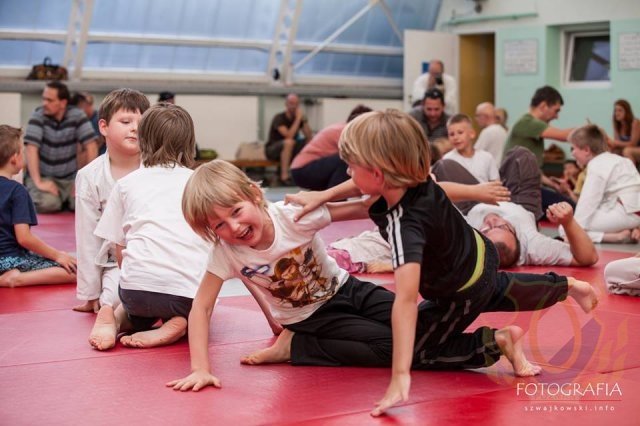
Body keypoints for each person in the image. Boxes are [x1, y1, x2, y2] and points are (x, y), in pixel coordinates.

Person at [288, 110, 597, 417]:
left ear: (379, 174)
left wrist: (399, 376)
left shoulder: (405, 227)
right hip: (479, 255)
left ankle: (495, 342)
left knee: (421, 348)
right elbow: (364, 196)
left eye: (350, 167)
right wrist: (323, 199)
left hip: (457, 291)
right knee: (500, 288)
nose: (346, 174)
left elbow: (406, 300)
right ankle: (568, 286)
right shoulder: (419, 179)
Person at [167, 159, 399, 392]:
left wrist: (327, 195)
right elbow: (201, 307)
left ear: (254, 194)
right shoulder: (226, 253)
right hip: (311, 317)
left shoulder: (293, 217)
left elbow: (365, 206)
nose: (234, 227)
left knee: (416, 321)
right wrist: (200, 368)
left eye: (236, 212)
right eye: (220, 226)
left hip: (349, 289)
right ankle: (298, 346)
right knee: (393, 346)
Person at [87, 104, 213, 351]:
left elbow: (119, 248)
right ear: (188, 143)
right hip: (184, 296)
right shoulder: (198, 182)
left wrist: (136, 278)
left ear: (142, 140)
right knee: (202, 309)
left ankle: (115, 318)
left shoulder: (126, 184)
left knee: (134, 308)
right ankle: (180, 323)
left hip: (136, 292)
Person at [73, 89, 150, 314]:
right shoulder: (90, 176)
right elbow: (87, 238)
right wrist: (90, 294)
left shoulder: (158, 168)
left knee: (197, 298)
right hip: (118, 263)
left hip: (160, 256)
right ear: (104, 127)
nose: (135, 128)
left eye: (142, 123)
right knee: (115, 302)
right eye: (126, 121)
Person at [0, 125, 77, 287]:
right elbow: (24, 238)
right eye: (23, 151)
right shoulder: (17, 191)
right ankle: (15, 279)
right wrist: (57, 255)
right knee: (77, 271)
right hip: (9, 261)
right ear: (15, 158)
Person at [24, 81, 98, 213]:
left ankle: (63, 201)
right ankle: (57, 200)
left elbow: (91, 146)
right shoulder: (37, 116)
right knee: (48, 204)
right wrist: (39, 182)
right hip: (44, 176)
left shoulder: (77, 116)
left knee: (83, 205)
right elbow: (31, 148)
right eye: (44, 99)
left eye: (49, 100)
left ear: (63, 103)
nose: (44, 103)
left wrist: (85, 181)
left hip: (69, 179)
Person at [502, 85, 576, 213]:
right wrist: (591, 132)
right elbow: (564, 136)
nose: (556, 116)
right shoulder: (526, 122)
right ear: (543, 106)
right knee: (569, 208)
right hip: (518, 190)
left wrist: (552, 184)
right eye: (556, 111)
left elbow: (534, 171)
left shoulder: (531, 128)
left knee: (567, 205)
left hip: (525, 187)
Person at [563, 124, 640, 243]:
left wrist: (573, 230)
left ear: (587, 150)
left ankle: (615, 237)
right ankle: (620, 232)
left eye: (574, 148)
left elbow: (588, 201)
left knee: (564, 228)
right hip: (631, 213)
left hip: (625, 213)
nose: (572, 153)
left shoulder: (597, 165)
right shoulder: (618, 159)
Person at [290, 105, 371, 191]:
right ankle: (335, 199)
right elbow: (361, 156)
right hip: (302, 170)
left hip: (306, 169)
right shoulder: (344, 131)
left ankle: (327, 196)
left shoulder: (342, 127)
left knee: (350, 161)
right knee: (347, 160)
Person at [265, 93, 312, 185]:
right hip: (273, 150)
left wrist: (304, 120)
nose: (293, 106)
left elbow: (309, 136)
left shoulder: (299, 118)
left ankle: (307, 174)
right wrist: (298, 119)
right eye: (291, 103)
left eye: (296, 104)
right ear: (286, 104)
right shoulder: (279, 118)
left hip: (291, 148)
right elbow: (288, 136)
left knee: (310, 142)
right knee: (289, 142)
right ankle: (284, 176)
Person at [442, 114, 499, 183]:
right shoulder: (447, 160)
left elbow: (496, 183)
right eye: (451, 134)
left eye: (460, 132)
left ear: (472, 134)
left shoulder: (487, 157)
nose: (455, 137)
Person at [408, 88, 451, 161]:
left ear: (444, 107)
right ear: (422, 105)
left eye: (437, 109)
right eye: (429, 109)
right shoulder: (412, 118)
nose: (433, 113)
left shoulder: (450, 122)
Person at [71, 91, 104, 158]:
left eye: (83, 104)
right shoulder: (79, 121)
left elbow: (99, 140)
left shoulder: (99, 118)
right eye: (78, 106)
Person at [607, 99, 640, 164]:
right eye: (615, 111)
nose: (617, 113)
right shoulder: (617, 124)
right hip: (630, 148)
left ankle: (632, 173)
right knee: (613, 151)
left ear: (627, 112)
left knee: (627, 151)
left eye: (620, 110)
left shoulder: (635, 122)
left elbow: (633, 144)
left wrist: (615, 143)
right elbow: (617, 143)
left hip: (637, 148)